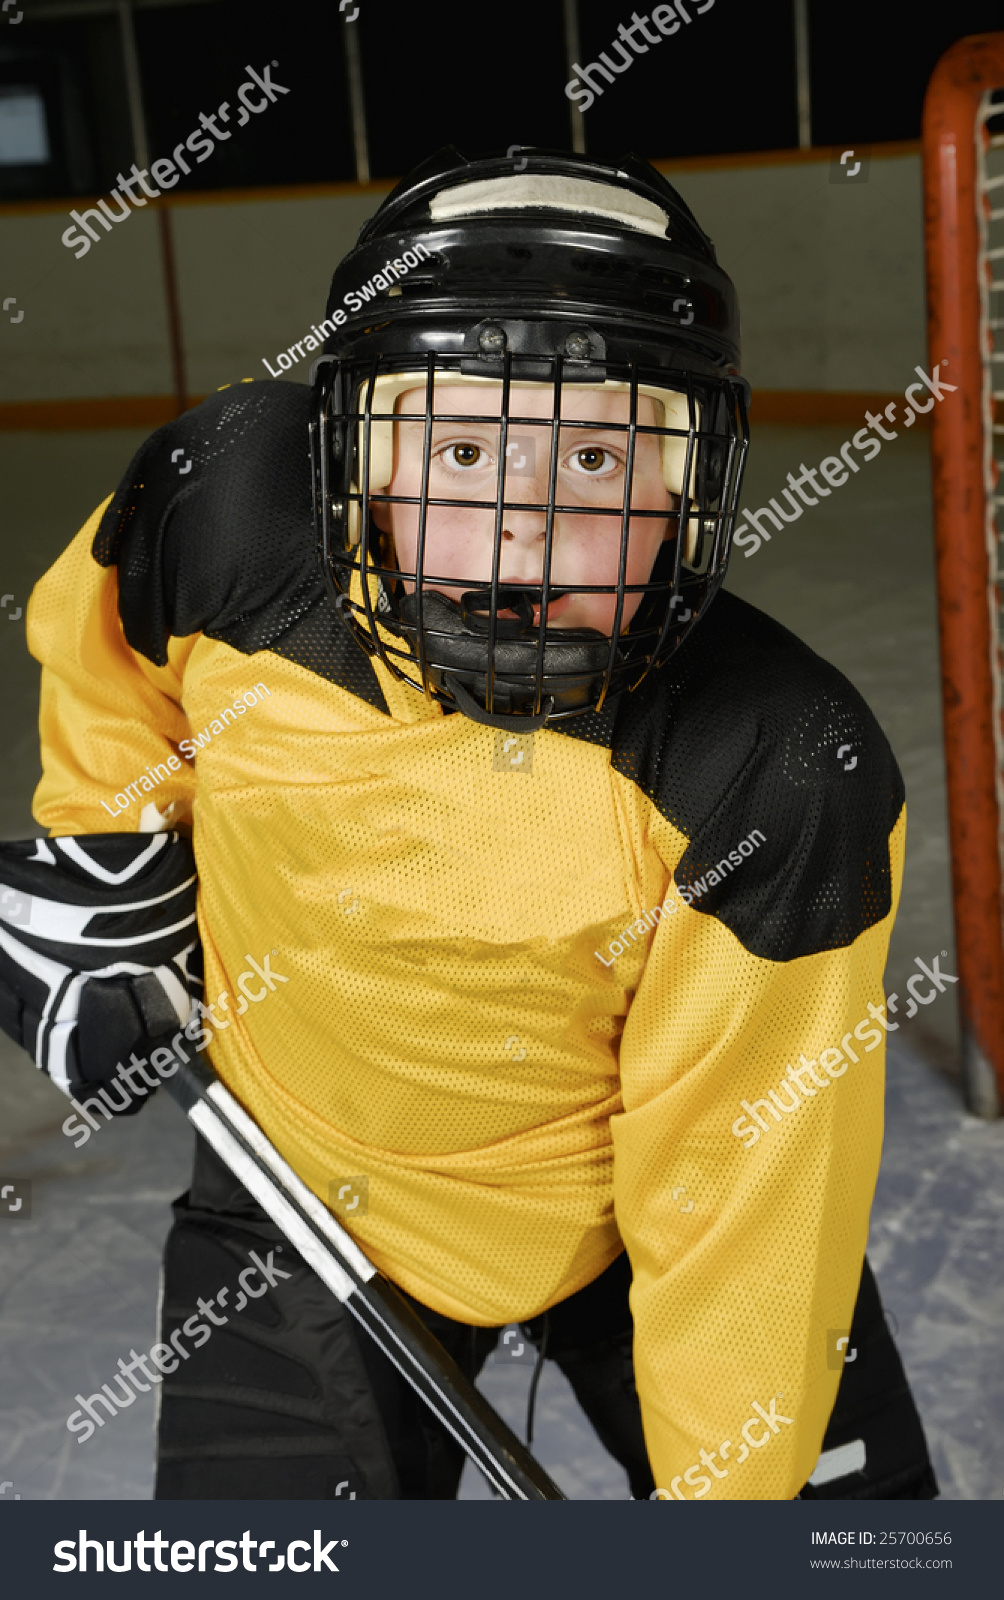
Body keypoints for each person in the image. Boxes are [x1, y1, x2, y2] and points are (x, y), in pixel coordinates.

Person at [0, 146, 936, 1500]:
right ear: (353, 464)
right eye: (459, 447)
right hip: (302, 1181)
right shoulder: (226, 506)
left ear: (690, 492)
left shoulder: (779, 774)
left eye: (602, 452)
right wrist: (107, 879)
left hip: (634, 1220)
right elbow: (107, 666)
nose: (524, 535)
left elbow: (740, 1194)